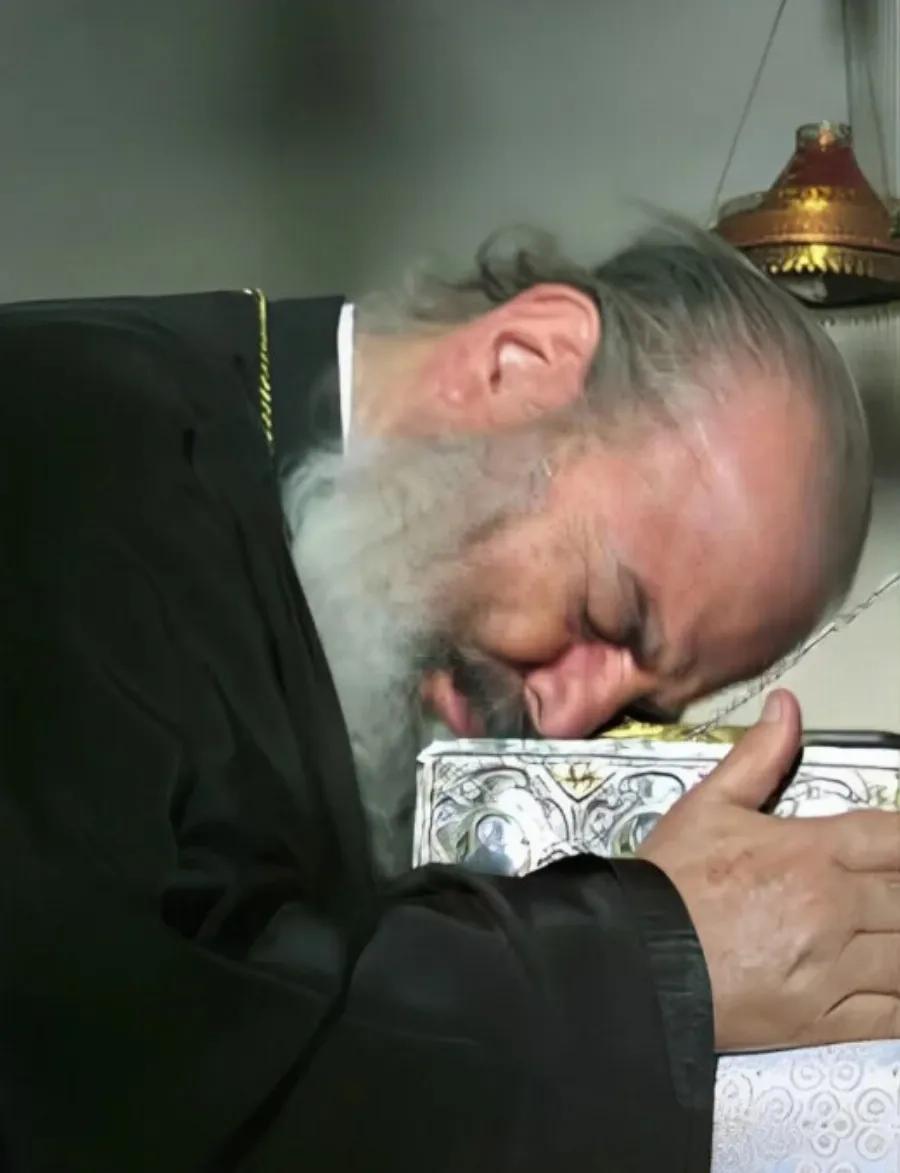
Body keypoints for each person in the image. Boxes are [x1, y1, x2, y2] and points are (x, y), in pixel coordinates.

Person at [0, 222, 896, 1173]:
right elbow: (130, 1060)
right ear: (520, 363)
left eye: (644, 709)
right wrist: (658, 956)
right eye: (607, 613)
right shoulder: (65, 434)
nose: (563, 719)